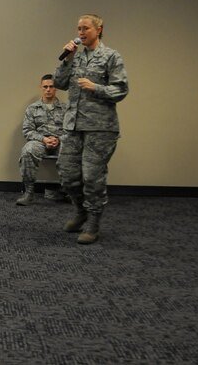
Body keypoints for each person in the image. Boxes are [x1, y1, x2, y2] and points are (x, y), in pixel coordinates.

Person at [55, 14, 129, 244]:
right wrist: (67, 60)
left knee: (92, 178)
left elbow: (121, 90)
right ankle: (80, 211)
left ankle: (93, 223)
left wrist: (96, 87)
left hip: (100, 128)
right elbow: (59, 83)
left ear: (99, 30)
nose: (81, 32)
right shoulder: (74, 56)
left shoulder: (111, 56)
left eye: (85, 28)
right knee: (67, 175)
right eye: (78, 28)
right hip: (73, 125)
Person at [16, 74, 68, 206]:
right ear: (41, 88)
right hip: (40, 142)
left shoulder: (66, 109)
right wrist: (44, 139)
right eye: (45, 87)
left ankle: (67, 191)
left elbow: (71, 131)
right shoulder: (32, 108)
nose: (48, 89)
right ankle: (29, 193)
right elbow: (27, 130)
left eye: (51, 86)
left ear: (56, 88)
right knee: (27, 150)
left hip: (61, 142)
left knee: (72, 150)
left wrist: (59, 139)